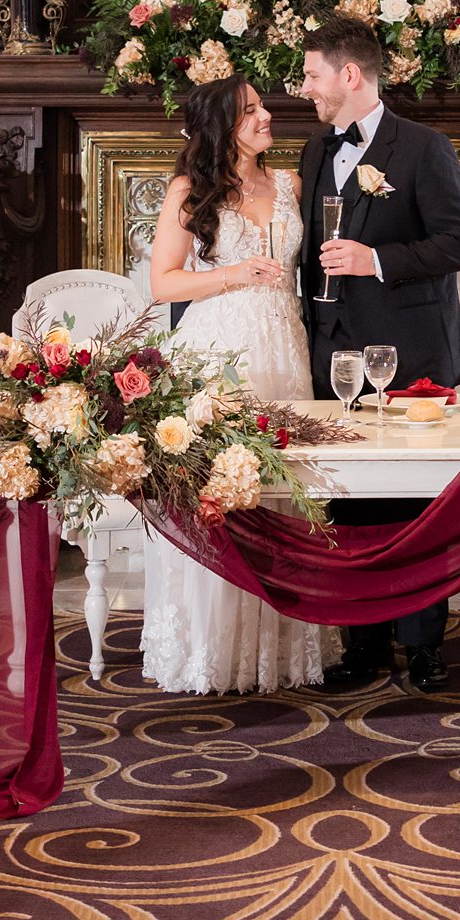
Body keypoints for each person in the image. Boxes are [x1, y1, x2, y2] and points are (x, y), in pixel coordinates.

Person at [296, 15, 460, 692]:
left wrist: (375, 260)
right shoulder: (315, 151)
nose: (304, 88)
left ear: (349, 75)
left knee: (414, 507)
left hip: (411, 354)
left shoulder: (425, 148)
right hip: (334, 353)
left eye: (312, 74)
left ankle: (425, 648)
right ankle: (364, 645)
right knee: (348, 503)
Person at [138, 75, 329, 693]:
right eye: (250, 110)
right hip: (218, 350)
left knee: (283, 489)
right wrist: (236, 274)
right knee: (221, 491)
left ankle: (278, 648)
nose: (267, 115)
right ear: (223, 126)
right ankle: (211, 647)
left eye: (263, 105)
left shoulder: (291, 184)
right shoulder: (189, 190)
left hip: (286, 348)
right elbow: (163, 283)